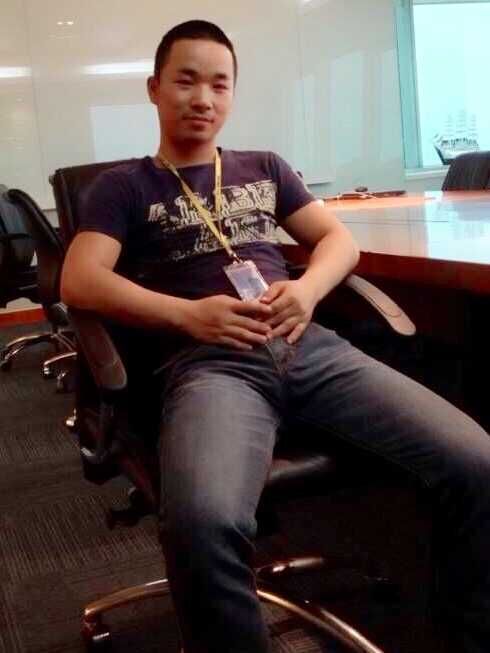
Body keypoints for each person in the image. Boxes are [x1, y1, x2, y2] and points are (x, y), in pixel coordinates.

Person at [60, 20, 490, 653]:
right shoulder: (124, 186)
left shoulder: (263, 167)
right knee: (202, 523)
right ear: (154, 89)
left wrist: (308, 290)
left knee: (477, 461)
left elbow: (337, 240)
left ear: (232, 94)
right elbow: (79, 279)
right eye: (185, 81)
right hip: (211, 366)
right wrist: (188, 316)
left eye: (219, 84)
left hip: (310, 349)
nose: (203, 98)